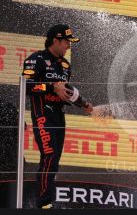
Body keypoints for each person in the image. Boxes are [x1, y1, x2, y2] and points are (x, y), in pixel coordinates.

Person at [21, 24, 93, 209]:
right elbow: (26, 87)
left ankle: (45, 200)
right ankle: (44, 203)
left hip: (59, 117)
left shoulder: (65, 65)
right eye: (67, 42)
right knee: (49, 155)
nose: (69, 46)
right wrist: (51, 86)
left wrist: (84, 105)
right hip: (42, 114)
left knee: (55, 159)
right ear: (55, 40)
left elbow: (66, 91)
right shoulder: (34, 59)